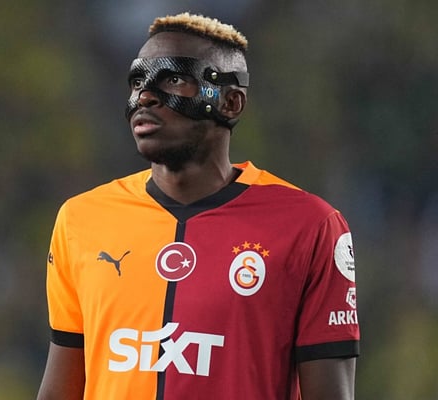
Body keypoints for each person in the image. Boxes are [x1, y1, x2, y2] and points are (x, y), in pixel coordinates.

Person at [37, 12, 359, 400]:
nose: (146, 96)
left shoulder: (311, 227)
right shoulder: (81, 220)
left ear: (231, 102)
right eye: (137, 82)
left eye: (174, 79)